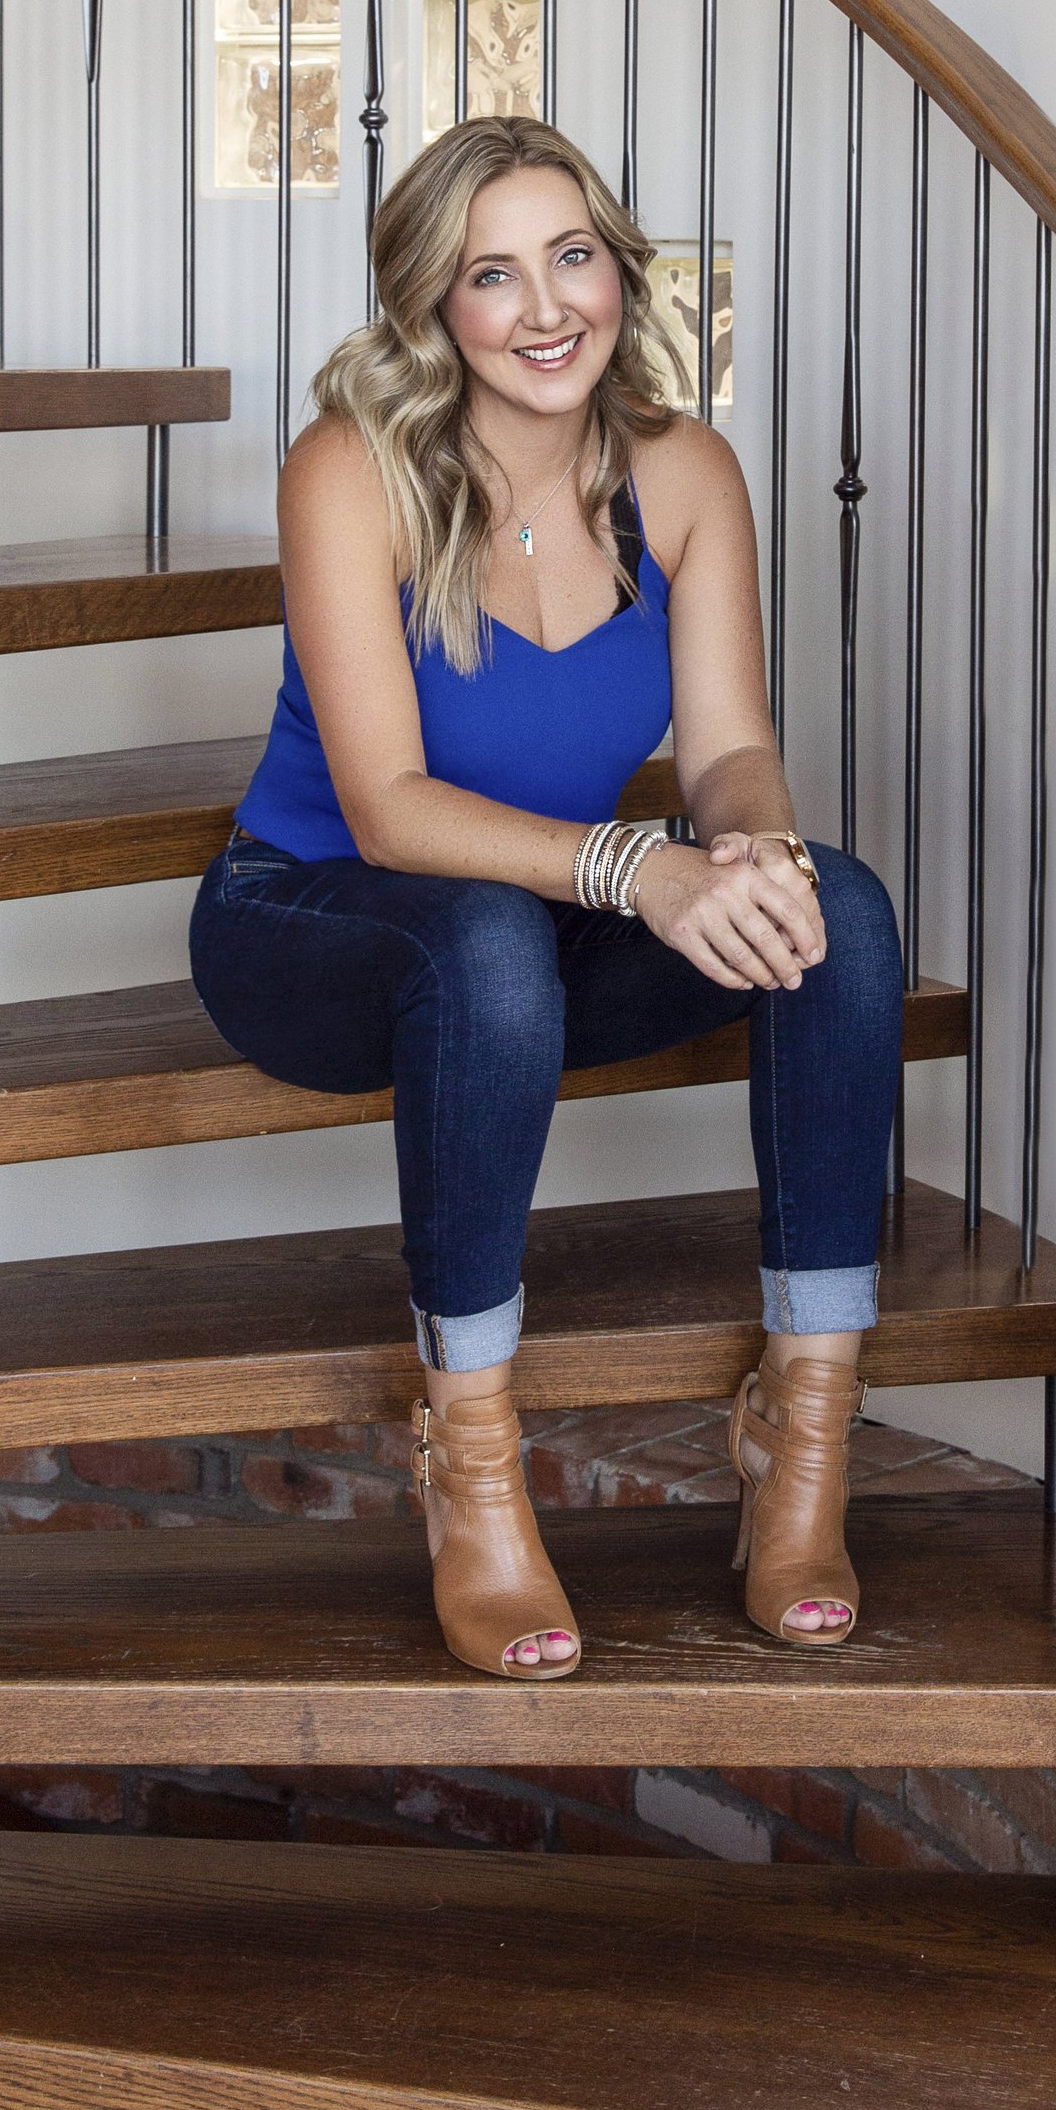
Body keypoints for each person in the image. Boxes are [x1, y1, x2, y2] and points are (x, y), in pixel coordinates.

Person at [189, 114, 904, 1681]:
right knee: (489, 941)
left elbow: (728, 751)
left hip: (536, 921)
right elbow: (388, 809)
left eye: (570, 256)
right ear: (433, 307)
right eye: (492, 274)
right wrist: (639, 866)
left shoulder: (683, 474)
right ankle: (472, 1467)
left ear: (617, 269)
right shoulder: (350, 470)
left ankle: (803, 1441)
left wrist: (756, 853)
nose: (545, 307)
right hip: (312, 921)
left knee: (838, 912)